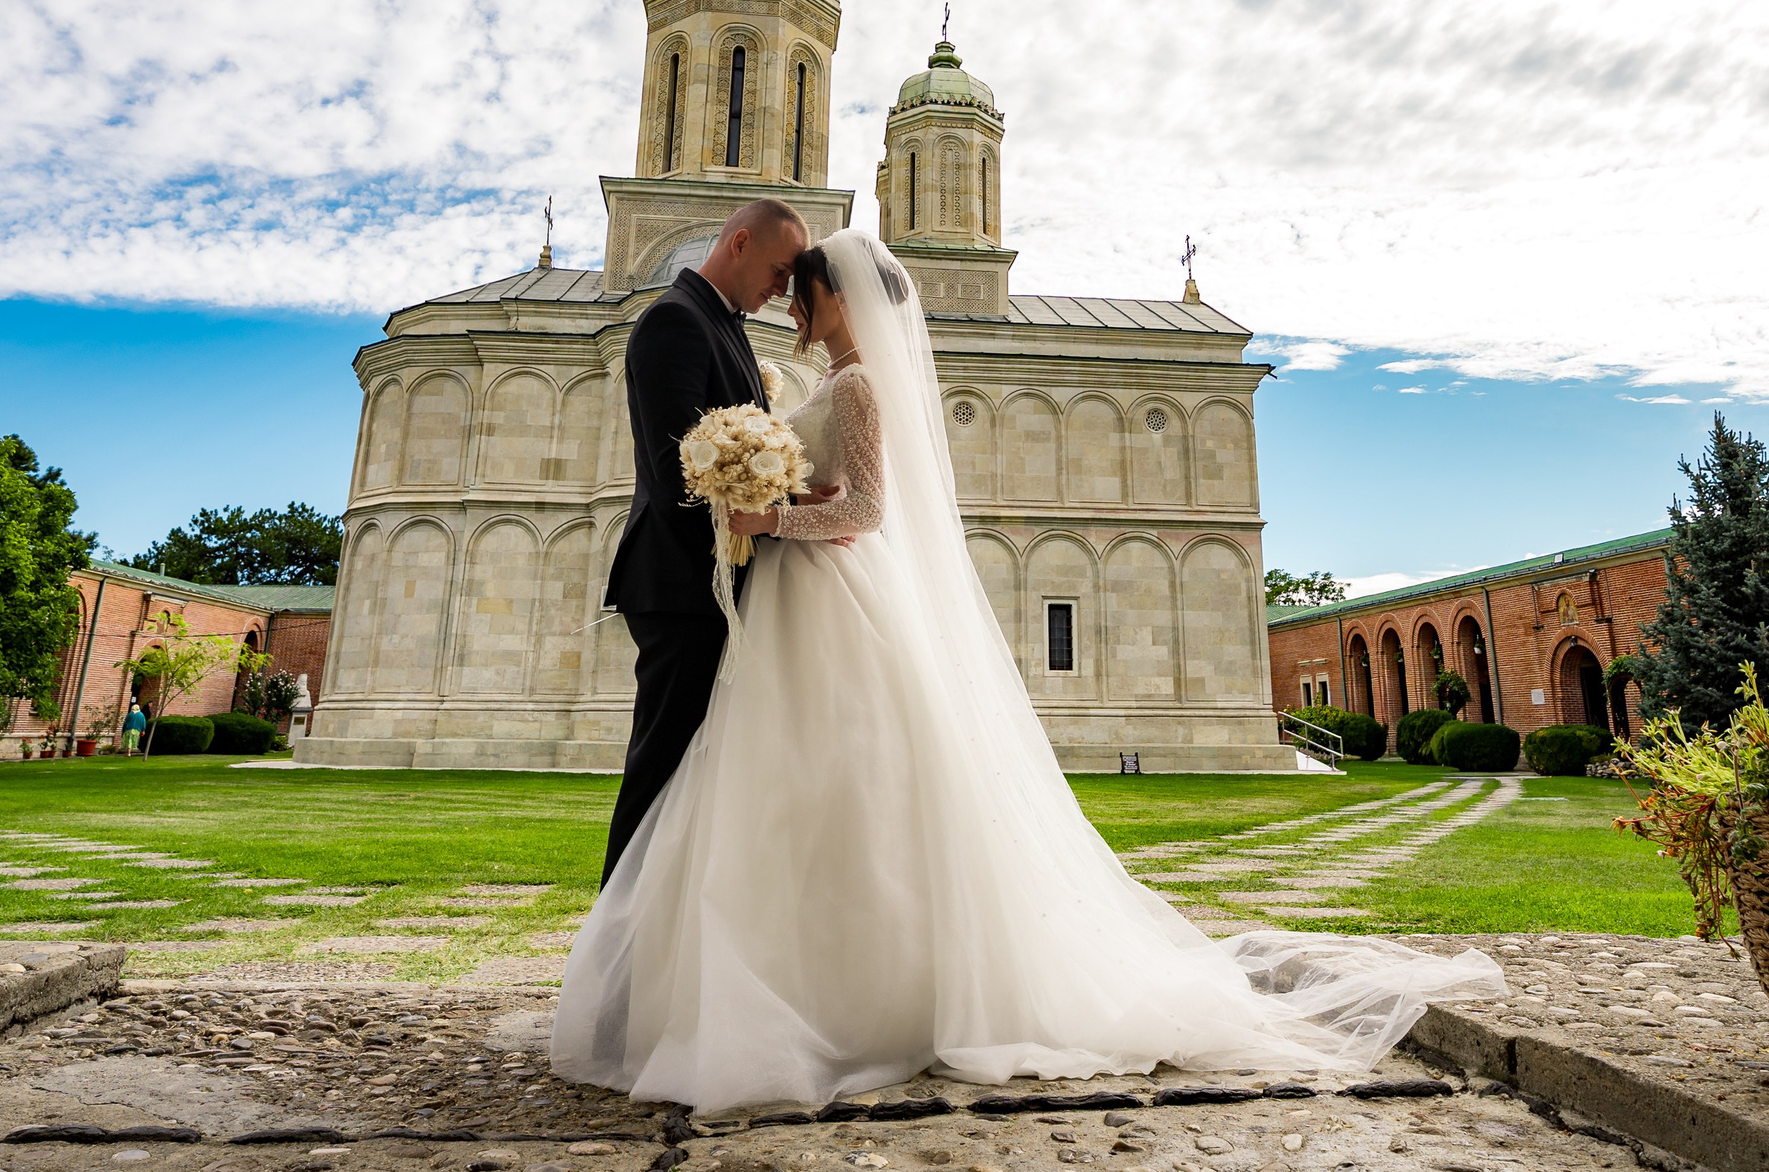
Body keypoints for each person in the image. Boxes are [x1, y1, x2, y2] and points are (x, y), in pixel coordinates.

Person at [554, 230, 1503, 1113]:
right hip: (801, 606)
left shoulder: (859, 388)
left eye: (802, 294)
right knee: (792, 787)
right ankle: (775, 982)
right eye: (784, 288)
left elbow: (869, 507)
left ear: (840, 296)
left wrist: (769, 517)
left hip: (828, 593)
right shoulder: (822, 373)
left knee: (842, 786)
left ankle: (852, 995)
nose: (788, 305)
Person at [598, 198, 809, 882]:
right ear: (739, 243)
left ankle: (665, 943)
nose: (783, 289)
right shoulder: (675, 321)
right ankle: (615, 951)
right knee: (660, 771)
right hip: (684, 588)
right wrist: (773, 522)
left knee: (696, 778)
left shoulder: (725, 325)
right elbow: (676, 475)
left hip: (713, 587)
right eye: (779, 272)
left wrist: (796, 505)